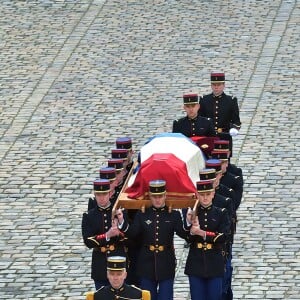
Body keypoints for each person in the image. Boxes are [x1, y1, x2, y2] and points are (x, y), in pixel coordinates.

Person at [116, 179, 190, 300]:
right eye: (154, 196)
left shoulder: (173, 215)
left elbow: (183, 234)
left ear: (165, 195)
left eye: (160, 196)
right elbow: (133, 233)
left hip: (166, 262)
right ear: (150, 196)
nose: (157, 199)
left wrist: (187, 222)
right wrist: (121, 221)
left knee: (166, 297)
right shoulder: (143, 214)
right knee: (148, 297)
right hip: (146, 263)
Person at [184, 180, 230, 300]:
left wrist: (202, 233)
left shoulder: (221, 213)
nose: (205, 198)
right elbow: (187, 238)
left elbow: (223, 236)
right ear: (197, 195)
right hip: (196, 261)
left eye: (208, 194)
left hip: (214, 261)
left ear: (213, 194)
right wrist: (189, 224)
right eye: (202, 194)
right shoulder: (192, 213)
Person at [82, 179, 128, 290]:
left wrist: (120, 229)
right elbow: (88, 241)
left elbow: (130, 238)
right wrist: (107, 235)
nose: (101, 198)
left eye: (104, 194)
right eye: (98, 195)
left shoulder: (119, 212)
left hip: (118, 259)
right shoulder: (89, 216)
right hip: (100, 263)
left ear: (110, 193)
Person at [199, 72, 241, 156]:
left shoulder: (231, 101)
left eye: (219, 84)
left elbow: (236, 121)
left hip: (224, 137)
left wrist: (234, 129)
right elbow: (200, 119)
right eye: (214, 84)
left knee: (225, 163)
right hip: (209, 138)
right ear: (211, 85)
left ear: (223, 85)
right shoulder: (204, 100)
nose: (216, 87)